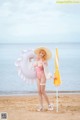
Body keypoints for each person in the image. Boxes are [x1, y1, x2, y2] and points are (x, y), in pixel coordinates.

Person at [34, 47, 54, 111]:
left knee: (43, 91)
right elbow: (33, 67)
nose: (41, 54)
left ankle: (49, 105)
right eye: (40, 53)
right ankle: (41, 106)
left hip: (43, 77)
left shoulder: (44, 61)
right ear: (39, 53)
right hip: (38, 77)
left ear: (44, 55)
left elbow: (47, 71)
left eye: (43, 53)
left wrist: (52, 76)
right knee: (39, 92)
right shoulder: (37, 60)